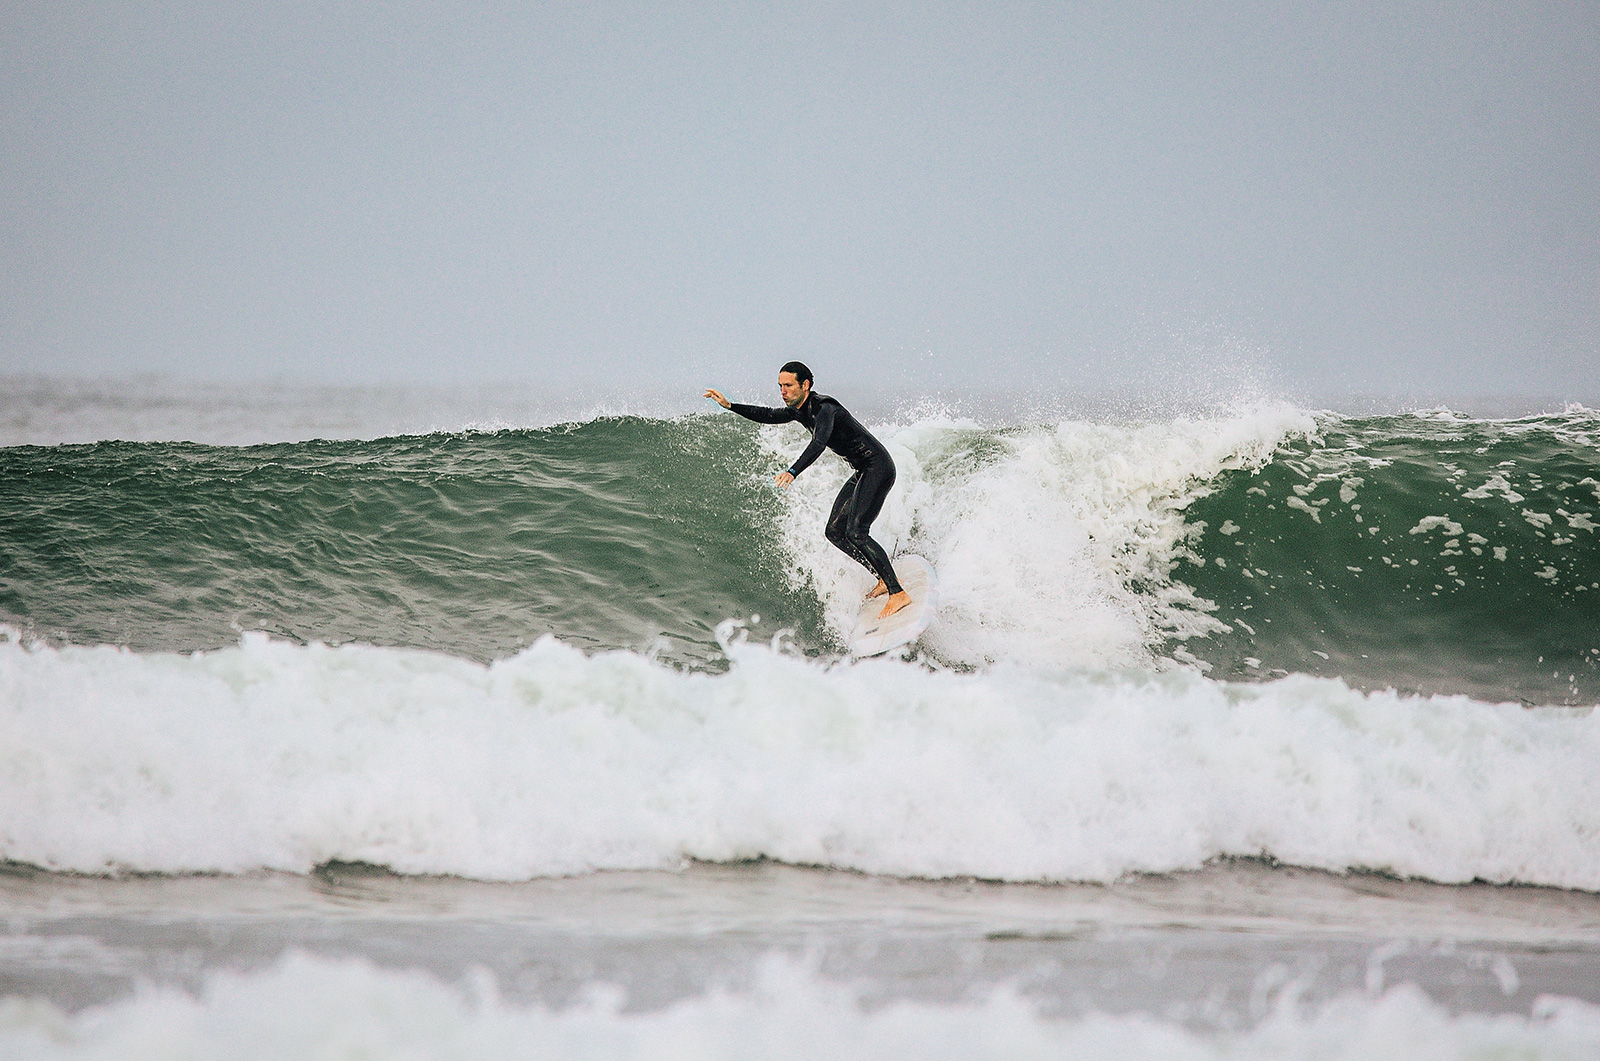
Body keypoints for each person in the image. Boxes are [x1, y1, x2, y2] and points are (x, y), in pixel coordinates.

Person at [704, 363, 911, 619]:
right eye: (780, 386)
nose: (783, 391)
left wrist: (792, 471)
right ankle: (882, 577)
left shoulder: (825, 409)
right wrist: (730, 406)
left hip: (877, 467)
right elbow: (768, 415)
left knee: (857, 532)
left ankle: (897, 592)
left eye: (788, 385)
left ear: (806, 385)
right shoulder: (799, 411)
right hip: (862, 470)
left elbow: (819, 443)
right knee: (835, 531)